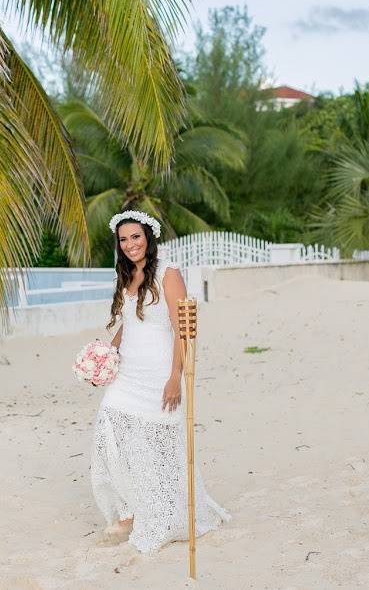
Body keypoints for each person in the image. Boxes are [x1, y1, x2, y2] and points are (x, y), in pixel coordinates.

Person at [90, 210, 230, 554]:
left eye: (135, 237)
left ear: (148, 237)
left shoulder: (169, 273)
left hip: (158, 371)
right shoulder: (126, 274)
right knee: (110, 430)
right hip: (127, 372)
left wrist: (174, 378)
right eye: (123, 240)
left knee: (155, 444)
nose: (129, 245)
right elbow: (129, 322)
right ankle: (128, 510)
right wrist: (107, 355)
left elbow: (182, 329)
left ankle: (160, 511)